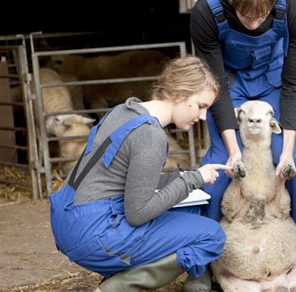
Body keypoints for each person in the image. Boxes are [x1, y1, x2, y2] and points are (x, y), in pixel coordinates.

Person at [49, 55, 231, 292]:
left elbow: (127, 179)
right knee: (212, 235)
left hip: (68, 218)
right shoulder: (151, 135)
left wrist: (183, 177)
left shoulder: (124, 110)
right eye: (200, 105)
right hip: (94, 234)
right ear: (178, 95)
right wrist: (193, 180)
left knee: (190, 210)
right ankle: (118, 287)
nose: (203, 116)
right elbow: (138, 213)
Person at [189, 0, 296, 289]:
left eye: (262, 16)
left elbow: (295, 81)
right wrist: (234, 152)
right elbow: (215, 85)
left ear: (274, 2)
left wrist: (287, 151)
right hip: (228, 88)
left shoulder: (294, 7)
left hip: (274, 84)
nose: (254, 23)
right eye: (246, 16)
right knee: (220, 166)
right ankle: (202, 266)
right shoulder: (206, 11)